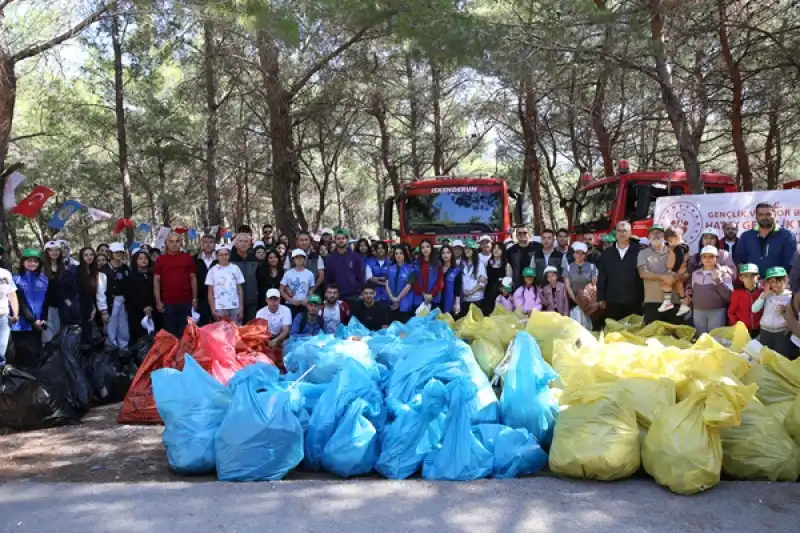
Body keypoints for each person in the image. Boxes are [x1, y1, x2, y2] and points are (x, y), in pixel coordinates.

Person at [595, 221, 643, 321]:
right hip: (612, 301)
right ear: (615, 233)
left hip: (635, 301)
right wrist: (601, 298)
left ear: (630, 233)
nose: (622, 233)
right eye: (619, 231)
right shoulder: (607, 254)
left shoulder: (639, 252)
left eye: (625, 231)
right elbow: (602, 277)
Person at [635, 225, 683, 325]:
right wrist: (663, 277)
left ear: (664, 237)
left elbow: (683, 271)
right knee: (652, 338)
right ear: (648, 237)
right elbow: (643, 273)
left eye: (659, 233)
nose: (656, 235)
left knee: (675, 337)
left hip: (674, 301)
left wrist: (677, 277)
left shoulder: (675, 251)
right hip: (652, 302)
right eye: (653, 233)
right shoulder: (642, 253)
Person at [154, 232, 197, 338]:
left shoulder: (188, 258)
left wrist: (195, 298)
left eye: (177, 241)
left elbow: (193, 278)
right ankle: (172, 354)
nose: (174, 244)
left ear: (181, 243)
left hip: (185, 301)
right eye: (171, 241)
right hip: (167, 302)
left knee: (186, 332)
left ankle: (185, 354)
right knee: (170, 333)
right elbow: (156, 281)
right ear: (166, 243)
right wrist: (158, 301)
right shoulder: (160, 260)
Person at [735, 202, 795, 278]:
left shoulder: (787, 235)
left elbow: (789, 263)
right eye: (761, 215)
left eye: (768, 214)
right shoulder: (746, 236)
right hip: (752, 285)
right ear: (756, 217)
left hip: (777, 284)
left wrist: (774, 280)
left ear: (775, 215)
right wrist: (749, 279)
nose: (764, 217)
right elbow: (740, 260)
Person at [41, 240, 81, 343]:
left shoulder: (66, 269)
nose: (54, 253)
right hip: (46, 308)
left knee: (61, 337)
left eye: (56, 250)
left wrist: (70, 303)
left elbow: (71, 289)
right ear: (46, 253)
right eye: (51, 250)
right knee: (48, 337)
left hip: (62, 308)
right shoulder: (41, 270)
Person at [752, 267, 795, 358]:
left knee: (781, 357)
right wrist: (765, 294)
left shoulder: (790, 297)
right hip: (765, 331)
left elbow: (794, 317)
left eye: (779, 280)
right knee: (765, 358)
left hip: (781, 333)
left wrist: (785, 311)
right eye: (772, 281)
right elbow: (754, 309)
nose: (776, 284)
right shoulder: (766, 295)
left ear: (785, 280)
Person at [690, 246, 733, 335]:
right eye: (704, 256)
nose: (707, 259)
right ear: (701, 259)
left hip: (717, 312)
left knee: (716, 339)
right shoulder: (695, 274)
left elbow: (729, 296)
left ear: (716, 258)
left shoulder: (724, 275)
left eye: (711, 256)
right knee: (700, 339)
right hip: (698, 311)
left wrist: (718, 280)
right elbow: (692, 291)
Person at [99, 242, 131, 348]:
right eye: (116, 252)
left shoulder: (126, 268)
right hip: (111, 302)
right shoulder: (104, 270)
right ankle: (112, 351)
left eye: (121, 252)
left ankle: (124, 350)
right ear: (111, 253)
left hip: (124, 301)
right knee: (111, 329)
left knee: (123, 328)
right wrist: (103, 310)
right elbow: (101, 291)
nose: (119, 254)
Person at [205, 245, 245, 324]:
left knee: (236, 331)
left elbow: (239, 289)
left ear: (229, 255)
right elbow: (210, 292)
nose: (224, 257)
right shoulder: (212, 271)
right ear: (217, 256)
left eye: (226, 254)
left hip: (235, 306)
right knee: (221, 333)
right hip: (219, 308)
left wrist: (241, 307)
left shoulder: (235, 268)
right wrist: (213, 310)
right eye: (221, 255)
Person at [325, 228, 365, 307]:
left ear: (347, 240)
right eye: (338, 238)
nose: (340, 240)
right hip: (337, 297)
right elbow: (327, 278)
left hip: (354, 296)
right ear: (335, 240)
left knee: (354, 319)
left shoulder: (356, 257)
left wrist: (360, 292)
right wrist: (328, 294)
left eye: (343, 238)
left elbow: (361, 277)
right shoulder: (330, 258)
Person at [659, 226, 691, 317]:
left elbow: (679, 260)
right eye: (668, 241)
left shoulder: (680, 247)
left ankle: (668, 302)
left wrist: (674, 271)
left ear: (677, 238)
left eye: (670, 241)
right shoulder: (674, 246)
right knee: (679, 286)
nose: (669, 243)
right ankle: (683, 305)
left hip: (679, 271)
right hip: (678, 272)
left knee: (665, 283)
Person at [126, 250, 156, 345]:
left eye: (146, 258)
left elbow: (154, 292)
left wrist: (151, 306)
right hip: (137, 312)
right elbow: (131, 295)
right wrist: (143, 307)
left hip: (152, 310)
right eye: (140, 258)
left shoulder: (152, 276)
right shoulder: (130, 277)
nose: (144, 260)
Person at [230, 231, 261, 323]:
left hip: (252, 300)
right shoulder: (230, 260)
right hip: (234, 301)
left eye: (246, 241)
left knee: (250, 328)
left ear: (249, 244)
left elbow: (259, 279)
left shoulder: (254, 259)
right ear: (235, 244)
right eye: (241, 241)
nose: (243, 244)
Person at [76, 247, 105, 344]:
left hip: (89, 307)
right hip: (78, 307)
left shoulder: (95, 273)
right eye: (86, 255)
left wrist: (93, 308)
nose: (89, 257)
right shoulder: (75, 271)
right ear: (81, 257)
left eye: (91, 254)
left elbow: (93, 293)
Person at [284, 231, 324, 295]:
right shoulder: (290, 256)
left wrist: (313, 289)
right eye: (301, 240)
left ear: (310, 241)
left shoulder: (316, 256)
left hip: (312, 294)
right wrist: (288, 289)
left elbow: (321, 276)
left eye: (306, 240)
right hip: (294, 294)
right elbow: (285, 275)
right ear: (297, 242)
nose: (304, 242)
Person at [728, 264, 762, 337]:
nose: (749, 278)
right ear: (740, 278)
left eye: (753, 275)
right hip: (742, 330)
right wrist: (736, 325)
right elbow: (731, 312)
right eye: (746, 276)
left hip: (761, 329)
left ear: (758, 276)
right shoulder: (737, 294)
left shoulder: (763, 293)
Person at [280, 249, 316, 318]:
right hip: (291, 305)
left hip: (304, 304)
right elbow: (281, 289)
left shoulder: (309, 273)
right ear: (293, 260)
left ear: (304, 259)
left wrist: (308, 299)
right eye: (297, 257)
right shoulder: (288, 273)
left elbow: (311, 289)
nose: (299, 259)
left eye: (301, 257)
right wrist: (291, 300)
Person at [385, 245, 415, 323]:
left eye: (401, 253)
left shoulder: (411, 269)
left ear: (404, 255)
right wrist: (392, 297)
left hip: (404, 303)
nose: (398, 256)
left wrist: (398, 299)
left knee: (403, 330)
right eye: (396, 253)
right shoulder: (390, 268)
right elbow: (387, 283)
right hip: (391, 302)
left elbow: (408, 286)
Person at [412, 239, 443, 311]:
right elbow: (414, 280)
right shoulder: (415, 263)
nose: (425, 249)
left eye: (427, 246)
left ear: (431, 248)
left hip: (433, 297)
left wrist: (431, 294)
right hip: (419, 298)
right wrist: (423, 294)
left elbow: (440, 281)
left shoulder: (437, 263)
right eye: (423, 247)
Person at [193, 234, 216, 326]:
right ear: (201, 244)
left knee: (217, 324)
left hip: (217, 297)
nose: (208, 245)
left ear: (214, 244)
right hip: (201, 297)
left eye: (211, 242)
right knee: (202, 324)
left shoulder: (220, 258)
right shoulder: (194, 259)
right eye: (205, 242)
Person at [460, 240, 487, 317]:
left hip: (476, 298)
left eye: (470, 248)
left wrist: (471, 292)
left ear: (474, 250)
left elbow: (483, 282)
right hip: (464, 298)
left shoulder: (480, 264)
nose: (467, 251)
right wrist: (463, 291)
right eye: (466, 248)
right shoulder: (461, 264)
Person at [0, 259, 18, 365]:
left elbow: (12, 294)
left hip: (3, 318)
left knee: (1, 354)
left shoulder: (5, 274)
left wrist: (15, 313)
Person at [438, 245, 462, 316]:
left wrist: (457, 304)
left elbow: (458, 288)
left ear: (452, 254)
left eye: (448, 252)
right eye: (443, 253)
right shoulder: (437, 268)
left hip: (450, 301)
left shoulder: (456, 270)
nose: (445, 255)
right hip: (437, 300)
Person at [483, 242, 506, 315]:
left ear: (503, 251)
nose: (496, 250)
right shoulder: (488, 263)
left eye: (499, 248)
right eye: (494, 248)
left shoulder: (506, 264)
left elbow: (509, 281)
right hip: (488, 292)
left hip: (500, 293)